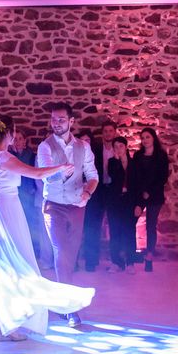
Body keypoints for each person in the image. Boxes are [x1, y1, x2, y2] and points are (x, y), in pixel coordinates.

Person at [0, 115, 95, 341]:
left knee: (5, 268)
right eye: (13, 131)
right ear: (9, 134)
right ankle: (8, 325)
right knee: (10, 267)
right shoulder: (2, 156)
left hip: (5, 209)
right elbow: (35, 173)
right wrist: (61, 168)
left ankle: (6, 325)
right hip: (4, 213)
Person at [38, 103, 99, 327]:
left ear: (71, 121)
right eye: (54, 119)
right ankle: (70, 309)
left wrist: (87, 192)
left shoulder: (83, 147)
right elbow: (45, 176)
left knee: (70, 256)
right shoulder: (45, 147)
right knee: (61, 251)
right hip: (53, 206)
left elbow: (93, 175)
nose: (57, 123)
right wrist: (60, 171)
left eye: (61, 119)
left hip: (77, 205)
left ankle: (63, 301)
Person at [131, 127, 170, 272]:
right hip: (140, 194)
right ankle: (131, 255)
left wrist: (149, 191)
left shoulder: (161, 155)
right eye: (143, 138)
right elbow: (135, 176)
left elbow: (162, 177)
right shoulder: (138, 155)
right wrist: (142, 192)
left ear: (153, 138)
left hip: (155, 195)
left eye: (147, 137)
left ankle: (149, 256)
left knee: (150, 226)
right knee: (132, 221)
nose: (145, 140)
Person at [82, 121, 117, 272]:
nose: (108, 133)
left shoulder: (120, 148)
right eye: (105, 131)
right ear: (102, 133)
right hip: (97, 191)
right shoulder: (95, 149)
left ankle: (117, 261)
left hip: (113, 191)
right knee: (92, 227)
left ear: (115, 132)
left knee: (116, 226)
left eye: (110, 131)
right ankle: (91, 261)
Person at [108, 136, 138, 274]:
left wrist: (138, 204)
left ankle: (130, 262)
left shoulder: (135, 163)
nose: (118, 149)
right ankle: (116, 262)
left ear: (126, 147)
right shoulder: (112, 163)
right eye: (115, 147)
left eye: (121, 146)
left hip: (129, 201)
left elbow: (139, 184)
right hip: (115, 201)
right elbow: (115, 177)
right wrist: (118, 161)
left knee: (130, 232)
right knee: (115, 232)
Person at [10, 130, 39, 257]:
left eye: (20, 139)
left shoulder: (31, 155)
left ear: (25, 141)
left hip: (28, 192)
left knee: (28, 221)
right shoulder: (9, 155)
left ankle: (29, 251)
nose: (17, 142)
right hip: (14, 192)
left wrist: (32, 188)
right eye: (15, 139)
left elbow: (34, 172)